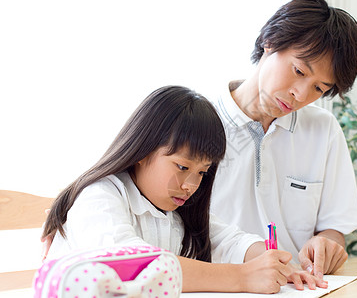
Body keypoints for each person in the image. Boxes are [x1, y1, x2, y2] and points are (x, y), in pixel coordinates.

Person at [42, 86, 327, 293]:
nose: (191, 185)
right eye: (182, 167)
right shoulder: (99, 196)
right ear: (143, 150)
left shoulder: (176, 209)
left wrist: (274, 263)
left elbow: (229, 240)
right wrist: (241, 277)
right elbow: (137, 265)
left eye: (202, 172)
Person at [208, 0, 357, 281]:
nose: (301, 95)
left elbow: (333, 229)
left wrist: (328, 245)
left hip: (297, 286)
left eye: (319, 87)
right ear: (270, 42)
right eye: (299, 71)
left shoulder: (323, 129)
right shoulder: (196, 121)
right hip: (217, 286)